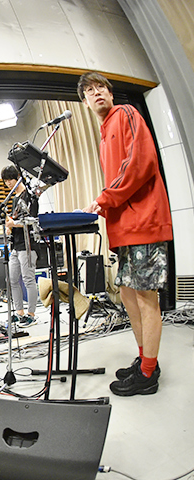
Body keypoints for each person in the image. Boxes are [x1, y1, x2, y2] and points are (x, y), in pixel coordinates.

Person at [78, 71, 173, 396]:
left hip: (144, 223)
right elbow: (118, 182)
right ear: (85, 102)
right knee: (129, 297)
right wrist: (103, 206)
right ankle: (145, 359)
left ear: (110, 93)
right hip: (125, 229)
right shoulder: (104, 134)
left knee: (145, 298)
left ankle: (147, 375)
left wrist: (103, 199)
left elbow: (139, 163)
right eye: (89, 91)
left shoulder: (126, 114)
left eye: (100, 87)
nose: (96, 93)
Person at [1, 165, 39, 327]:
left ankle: (31, 314)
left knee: (28, 279)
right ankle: (19, 312)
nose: (8, 183)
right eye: (5, 181)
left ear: (17, 178)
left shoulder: (29, 196)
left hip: (28, 244)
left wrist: (13, 224)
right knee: (12, 279)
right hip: (16, 245)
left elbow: (32, 221)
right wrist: (9, 227)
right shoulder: (14, 198)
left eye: (10, 180)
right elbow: (15, 219)